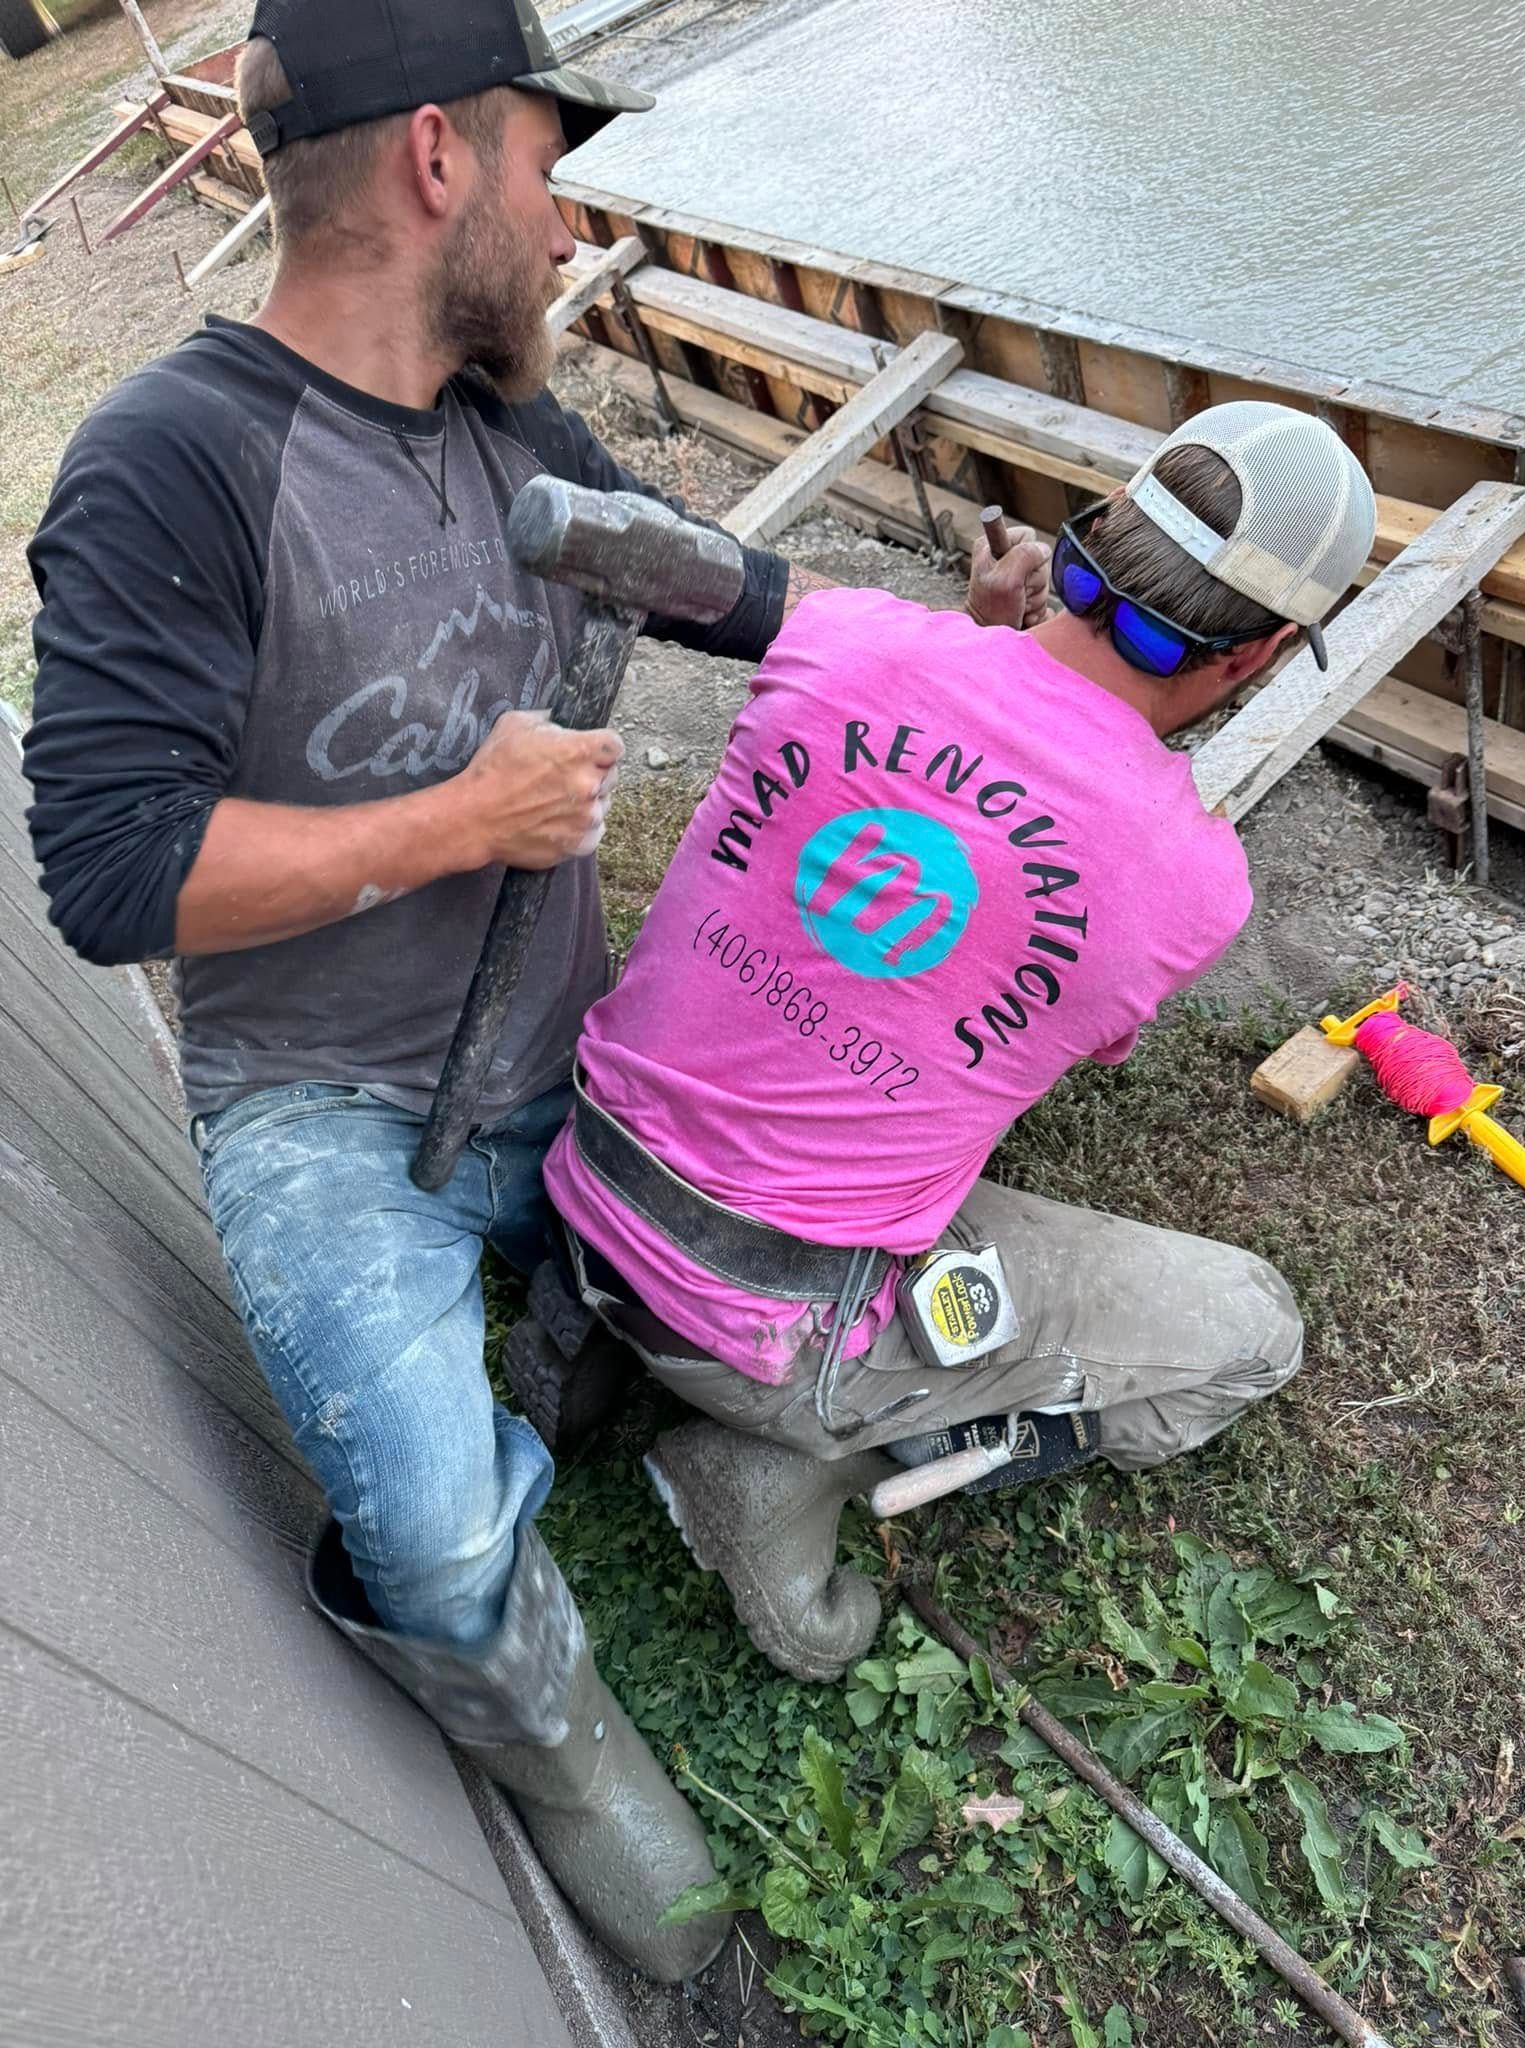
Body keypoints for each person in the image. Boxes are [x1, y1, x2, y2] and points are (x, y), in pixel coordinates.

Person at [22, 0, 1044, 1982]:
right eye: (546, 169)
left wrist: (956, 636)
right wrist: (452, 817)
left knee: (817, 1254)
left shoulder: (528, 445)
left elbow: (748, 600)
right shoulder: (178, 462)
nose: (568, 227)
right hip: (329, 1122)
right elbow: (106, 869)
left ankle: (609, 1351)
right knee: (426, 1529)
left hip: (571, 1066)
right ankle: (611, 1814)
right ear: (436, 158)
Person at [545, 401, 1379, 1686]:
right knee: (1253, 1328)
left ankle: (642, 1354)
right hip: (775, 1321)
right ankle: (793, 1461)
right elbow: (1044, 998)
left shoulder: (843, 635)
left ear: (1088, 534)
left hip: (588, 1183)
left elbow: (926, 787)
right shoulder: (1189, 878)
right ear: (1257, 656)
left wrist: (984, 634)